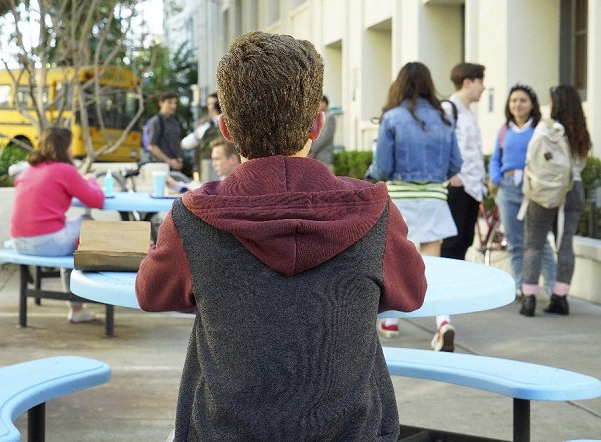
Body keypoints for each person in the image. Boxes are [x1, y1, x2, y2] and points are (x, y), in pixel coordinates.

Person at [136, 31, 426, 440]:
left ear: (226, 129)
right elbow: (411, 292)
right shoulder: (374, 213)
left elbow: (151, 293)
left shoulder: (190, 219)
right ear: (317, 125)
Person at [366, 61, 462, 352]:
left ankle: (392, 321)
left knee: (397, 263)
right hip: (434, 198)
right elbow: (455, 164)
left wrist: (368, 178)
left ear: (400, 85)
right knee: (434, 265)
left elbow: (382, 166)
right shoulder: (444, 119)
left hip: (401, 200)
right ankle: (443, 322)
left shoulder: (392, 118)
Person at [9, 127, 105, 323]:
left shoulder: (29, 170)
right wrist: (92, 180)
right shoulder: (65, 170)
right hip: (45, 243)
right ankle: (80, 305)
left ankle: (77, 306)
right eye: (70, 146)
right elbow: (96, 200)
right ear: (64, 147)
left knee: (72, 232)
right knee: (89, 225)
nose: (72, 150)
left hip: (18, 241)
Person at [519, 85, 592, 316]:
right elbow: (581, 163)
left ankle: (529, 298)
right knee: (565, 244)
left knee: (534, 243)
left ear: (556, 104)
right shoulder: (581, 131)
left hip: (544, 192)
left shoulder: (546, 128)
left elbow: (531, 158)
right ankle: (561, 298)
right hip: (574, 188)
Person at [488, 84, 556, 299]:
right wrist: (497, 178)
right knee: (515, 242)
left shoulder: (540, 128)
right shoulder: (504, 129)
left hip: (533, 189)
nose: (518, 104)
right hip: (507, 189)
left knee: (539, 240)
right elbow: (495, 158)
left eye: (523, 100)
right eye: (514, 100)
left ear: (532, 104)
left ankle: (553, 287)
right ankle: (520, 287)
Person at [441, 63, 486, 261]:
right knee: (452, 242)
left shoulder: (469, 113)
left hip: (473, 188)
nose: (483, 87)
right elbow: (439, 143)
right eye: (480, 82)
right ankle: (445, 288)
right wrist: (451, 176)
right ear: (467, 82)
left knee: (466, 240)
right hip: (457, 187)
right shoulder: (448, 109)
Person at [181, 92, 222, 181]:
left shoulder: (206, 125)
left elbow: (185, 143)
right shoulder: (229, 121)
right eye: (209, 104)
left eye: (214, 104)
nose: (211, 107)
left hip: (209, 164)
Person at [145, 92, 183, 171]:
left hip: (174, 167)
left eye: (175, 103)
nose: (173, 106)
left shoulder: (174, 122)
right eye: (169, 102)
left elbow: (177, 143)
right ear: (161, 103)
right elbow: (152, 147)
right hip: (159, 168)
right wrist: (170, 162)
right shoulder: (156, 121)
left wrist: (179, 158)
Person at [310, 95, 336, 168]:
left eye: (318, 103)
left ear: (324, 103)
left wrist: (313, 150)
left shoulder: (330, 117)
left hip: (324, 156)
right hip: (317, 156)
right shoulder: (319, 116)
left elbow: (326, 137)